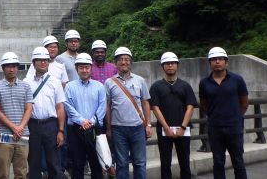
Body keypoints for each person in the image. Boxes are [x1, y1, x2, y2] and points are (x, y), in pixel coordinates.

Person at [199, 47, 249, 179]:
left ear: (226, 62)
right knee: (218, 163)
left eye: (220, 59)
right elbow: (204, 104)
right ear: (209, 63)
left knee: (238, 162)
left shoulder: (237, 80)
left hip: (234, 128)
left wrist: (235, 117)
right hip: (215, 129)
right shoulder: (204, 83)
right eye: (214, 59)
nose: (217, 62)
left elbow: (244, 103)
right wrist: (214, 115)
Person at [105, 46, 152, 179]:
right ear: (115, 63)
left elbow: (145, 102)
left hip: (138, 128)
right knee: (122, 163)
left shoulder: (140, 80)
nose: (124, 62)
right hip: (118, 129)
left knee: (140, 162)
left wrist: (148, 125)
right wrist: (108, 128)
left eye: (127, 59)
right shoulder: (109, 82)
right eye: (120, 60)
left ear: (131, 62)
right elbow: (107, 107)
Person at [149, 52, 197, 179]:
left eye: (173, 63)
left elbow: (190, 106)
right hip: (164, 130)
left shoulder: (185, 86)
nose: (170, 65)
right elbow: (155, 107)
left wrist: (182, 127)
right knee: (165, 163)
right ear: (162, 66)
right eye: (167, 63)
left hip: (183, 129)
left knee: (185, 161)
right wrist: (166, 127)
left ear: (177, 65)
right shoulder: (156, 87)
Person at [24, 46, 66, 179]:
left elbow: (60, 107)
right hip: (33, 125)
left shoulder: (55, 82)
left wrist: (60, 130)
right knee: (34, 161)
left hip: (51, 125)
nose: (43, 62)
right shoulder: (26, 82)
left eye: (46, 60)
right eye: (40, 60)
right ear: (33, 63)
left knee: (54, 161)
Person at [64, 53, 106, 179]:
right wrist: (82, 121)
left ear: (91, 68)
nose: (84, 70)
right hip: (76, 130)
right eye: (81, 67)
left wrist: (92, 121)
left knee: (97, 163)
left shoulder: (99, 86)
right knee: (77, 164)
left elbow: (102, 107)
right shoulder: (70, 87)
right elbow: (68, 106)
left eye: (87, 67)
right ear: (76, 69)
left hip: (95, 130)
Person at [0, 52, 34, 179]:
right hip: (4, 135)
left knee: (21, 171)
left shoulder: (26, 86)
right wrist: (14, 128)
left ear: (18, 67)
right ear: (3, 68)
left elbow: (29, 109)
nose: (11, 69)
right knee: (3, 172)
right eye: (8, 66)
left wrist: (20, 127)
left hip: (22, 134)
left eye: (14, 66)